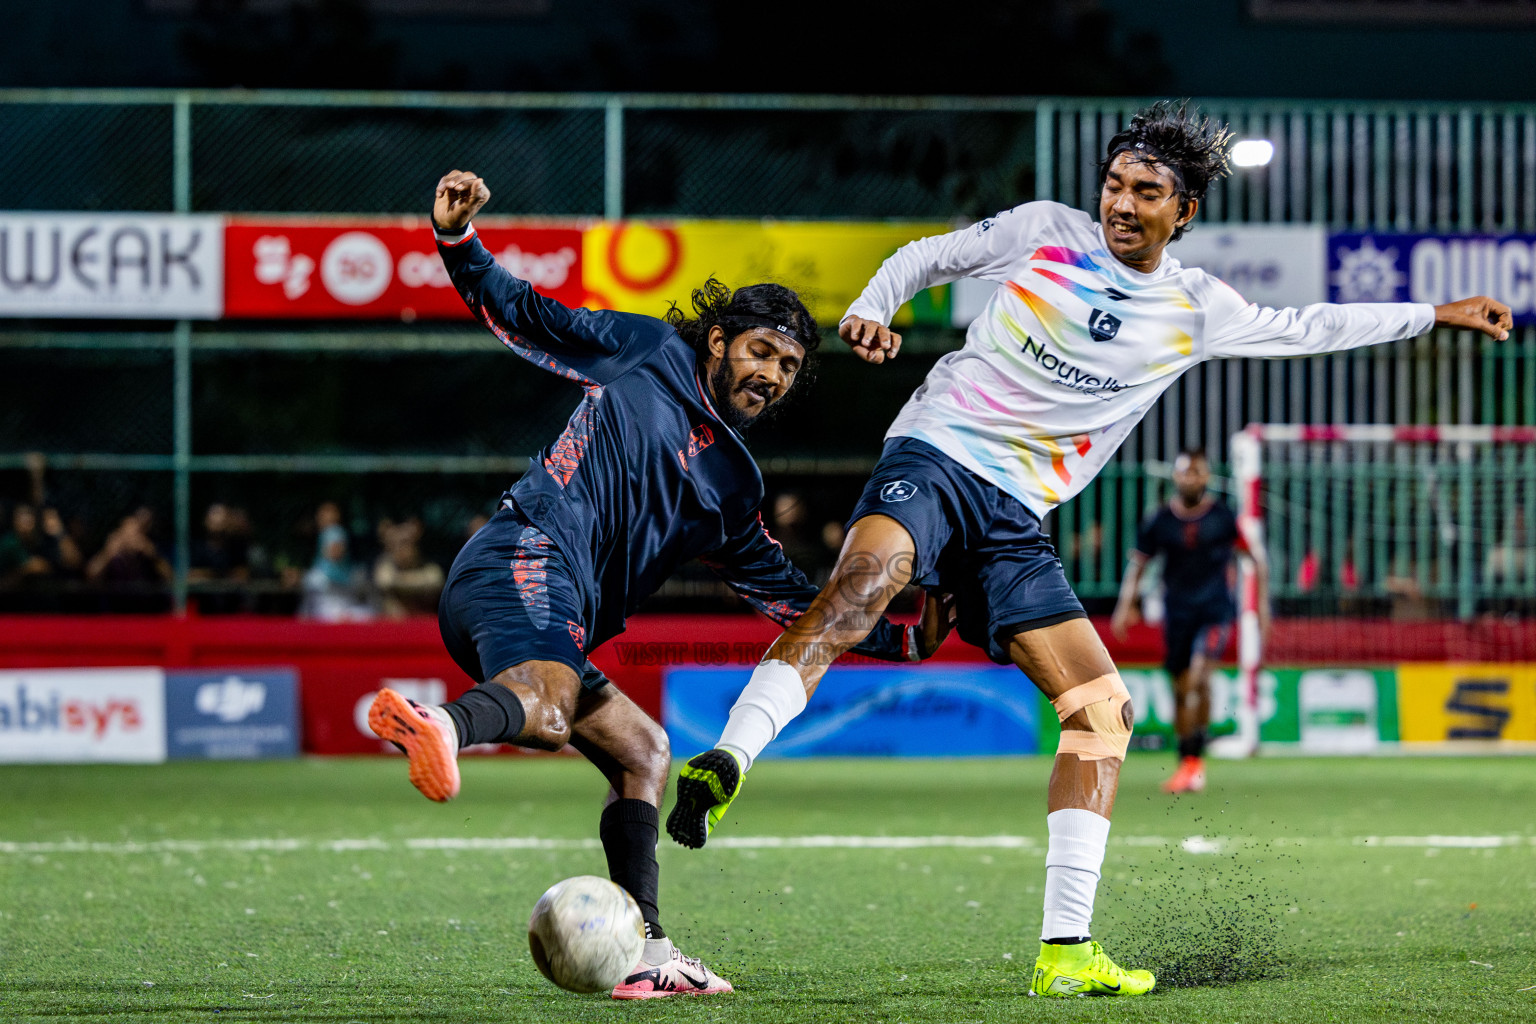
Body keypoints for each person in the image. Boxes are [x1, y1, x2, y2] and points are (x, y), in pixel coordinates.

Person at [668, 100, 1513, 999]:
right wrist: (877, 305)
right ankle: (727, 761)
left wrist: (1434, 313)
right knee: (858, 591)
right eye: (1114, 183)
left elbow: (1310, 328)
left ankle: (1065, 955)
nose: (1119, 202)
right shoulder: (1042, 232)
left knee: (1102, 710)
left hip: (1019, 518)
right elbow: (927, 256)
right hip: (940, 451)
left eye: (1145, 192)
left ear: (1182, 212)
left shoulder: (1199, 307)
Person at [366, 169, 952, 1000]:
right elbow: (527, 313)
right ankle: (444, 728)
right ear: (718, 341)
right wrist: (458, 241)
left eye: (787, 365)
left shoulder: (735, 487)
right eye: (760, 351)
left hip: (550, 613)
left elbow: (792, 601)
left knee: (643, 751)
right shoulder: (648, 350)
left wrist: (899, 639)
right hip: (522, 557)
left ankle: (644, 949)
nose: (773, 375)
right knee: (553, 706)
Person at [1110, 447, 1270, 794]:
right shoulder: (1160, 520)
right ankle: (1188, 762)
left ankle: (1196, 761)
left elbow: (1254, 561)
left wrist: (1261, 610)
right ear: (1176, 476)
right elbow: (1139, 564)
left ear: (1207, 477)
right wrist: (1126, 606)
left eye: (1198, 472)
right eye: (1186, 472)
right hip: (1177, 614)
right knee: (1181, 689)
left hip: (1214, 612)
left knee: (1200, 679)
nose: (1191, 478)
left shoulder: (1223, 518)